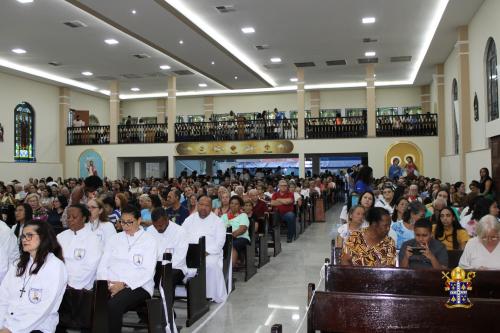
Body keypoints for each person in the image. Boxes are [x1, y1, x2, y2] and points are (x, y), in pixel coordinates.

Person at [97, 205, 157, 333]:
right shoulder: (114, 239)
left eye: (129, 222)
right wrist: (105, 282)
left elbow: (147, 271)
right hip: (111, 283)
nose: (125, 226)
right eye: (122, 222)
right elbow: (103, 263)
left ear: (139, 220)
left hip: (138, 286)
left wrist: (123, 284)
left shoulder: (149, 241)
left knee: (113, 305)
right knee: (92, 301)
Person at [0, 221, 68, 333]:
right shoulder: (18, 264)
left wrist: (12, 330)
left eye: (29, 235)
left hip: (37, 327)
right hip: (8, 323)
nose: (24, 239)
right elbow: (3, 298)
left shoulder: (55, 266)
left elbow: (43, 309)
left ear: (43, 237)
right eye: (22, 236)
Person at [182, 196, 227, 303]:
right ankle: (185, 294)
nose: (203, 208)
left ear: (211, 207)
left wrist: (204, 252)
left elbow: (220, 242)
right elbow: (181, 236)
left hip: (210, 253)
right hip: (190, 252)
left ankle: (209, 295)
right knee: (178, 264)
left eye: (207, 205)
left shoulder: (218, 222)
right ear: (197, 205)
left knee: (210, 265)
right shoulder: (189, 219)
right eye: (201, 205)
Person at [57, 204, 102, 290]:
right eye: (68, 217)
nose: (70, 220)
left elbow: (90, 267)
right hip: (59, 283)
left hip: (81, 288)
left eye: (74, 217)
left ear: (84, 218)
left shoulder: (93, 239)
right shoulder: (60, 237)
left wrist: (71, 285)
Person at [148, 207, 188, 298]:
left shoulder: (180, 231)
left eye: (160, 225)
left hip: (175, 268)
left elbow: (180, 257)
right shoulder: (150, 230)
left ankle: (167, 310)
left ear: (167, 220)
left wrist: (163, 266)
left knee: (166, 280)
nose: (158, 228)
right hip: (155, 267)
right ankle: (145, 309)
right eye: (155, 226)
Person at [221, 196, 250, 267]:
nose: (233, 205)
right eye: (232, 203)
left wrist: (229, 237)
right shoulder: (224, 216)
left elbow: (242, 229)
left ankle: (229, 271)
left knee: (231, 245)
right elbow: (219, 228)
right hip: (225, 238)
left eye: (236, 204)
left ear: (240, 206)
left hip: (241, 237)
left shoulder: (243, 215)